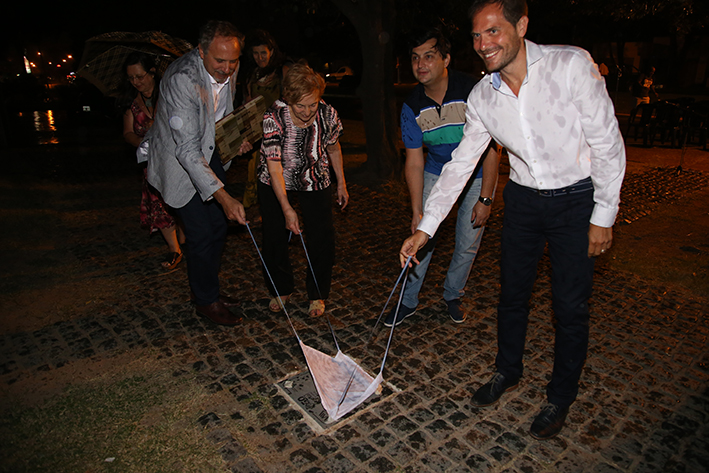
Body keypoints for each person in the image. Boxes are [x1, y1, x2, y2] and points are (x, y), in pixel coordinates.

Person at [398, 0, 626, 440]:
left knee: (570, 307)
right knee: (512, 296)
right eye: (477, 36)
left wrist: (603, 214)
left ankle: (560, 396)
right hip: (523, 201)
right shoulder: (484, 95)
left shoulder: (570, 65)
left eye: (494, 32)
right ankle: (508, 370)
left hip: (577, 200)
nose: (484, 44)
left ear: (521, 25)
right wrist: (424, 229)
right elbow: (460, 165)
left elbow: (607, 142)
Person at [385, 28, 499, 327]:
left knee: (468, 240)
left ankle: (453, 293)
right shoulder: (411, 105)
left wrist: (486, 197)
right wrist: (416, 210)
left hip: (475, 177)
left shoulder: (472, 91)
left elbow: (490, 149)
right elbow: (413, 160)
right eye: (415, 58)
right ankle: (408, 300)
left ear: (446, 59)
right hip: (436, 172)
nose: (421, 64)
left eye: (429, 56)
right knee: (423, 237)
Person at [144, 21, 252, 326]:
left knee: (218, 228)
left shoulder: (231, 65)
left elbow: (221, 112)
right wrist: (224, 197)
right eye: (219, 61)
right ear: (201, 50)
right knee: (202, 232)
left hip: (207, 149)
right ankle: (205, 302)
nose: (227, 68)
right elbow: (187, 152)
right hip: (179, 160)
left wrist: (234, 136)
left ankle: (207, 288)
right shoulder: (182, 80)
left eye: (233, 61)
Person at [257, 64, 348, 318]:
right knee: (274, 235)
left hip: (314, 177)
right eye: (301, 106)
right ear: (288, 98)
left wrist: (341, 182)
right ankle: (281, 287)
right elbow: (274, 168)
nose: (308, 112)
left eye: (313, 104)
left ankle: (317, 293)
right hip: (275, 178)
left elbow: (333, 149)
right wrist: (287, 208)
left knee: (321, 237)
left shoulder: (327, 114)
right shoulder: (273, 117)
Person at [120, 52, 184, 270]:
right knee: (158, 205)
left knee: (179, 203)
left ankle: (184, 241)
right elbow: (127, 132)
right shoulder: (132, 105)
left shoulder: (168, 95)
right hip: (152, 163)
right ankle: (174, 249)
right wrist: (141, 140)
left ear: (153, 73)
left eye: (140, 76)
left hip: (176, 161)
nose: (136, 82)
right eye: (131, 78)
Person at [242, 29, 284, 209]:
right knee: (255, 171)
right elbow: (247, 102)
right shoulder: (251, 76)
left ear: (271, 52)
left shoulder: (281, 74)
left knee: (275, 173)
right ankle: (255, 206)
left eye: (263, 53)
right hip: (258, 132)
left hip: (278, 132)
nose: (260, 58)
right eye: (256, 53)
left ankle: (275, 206)